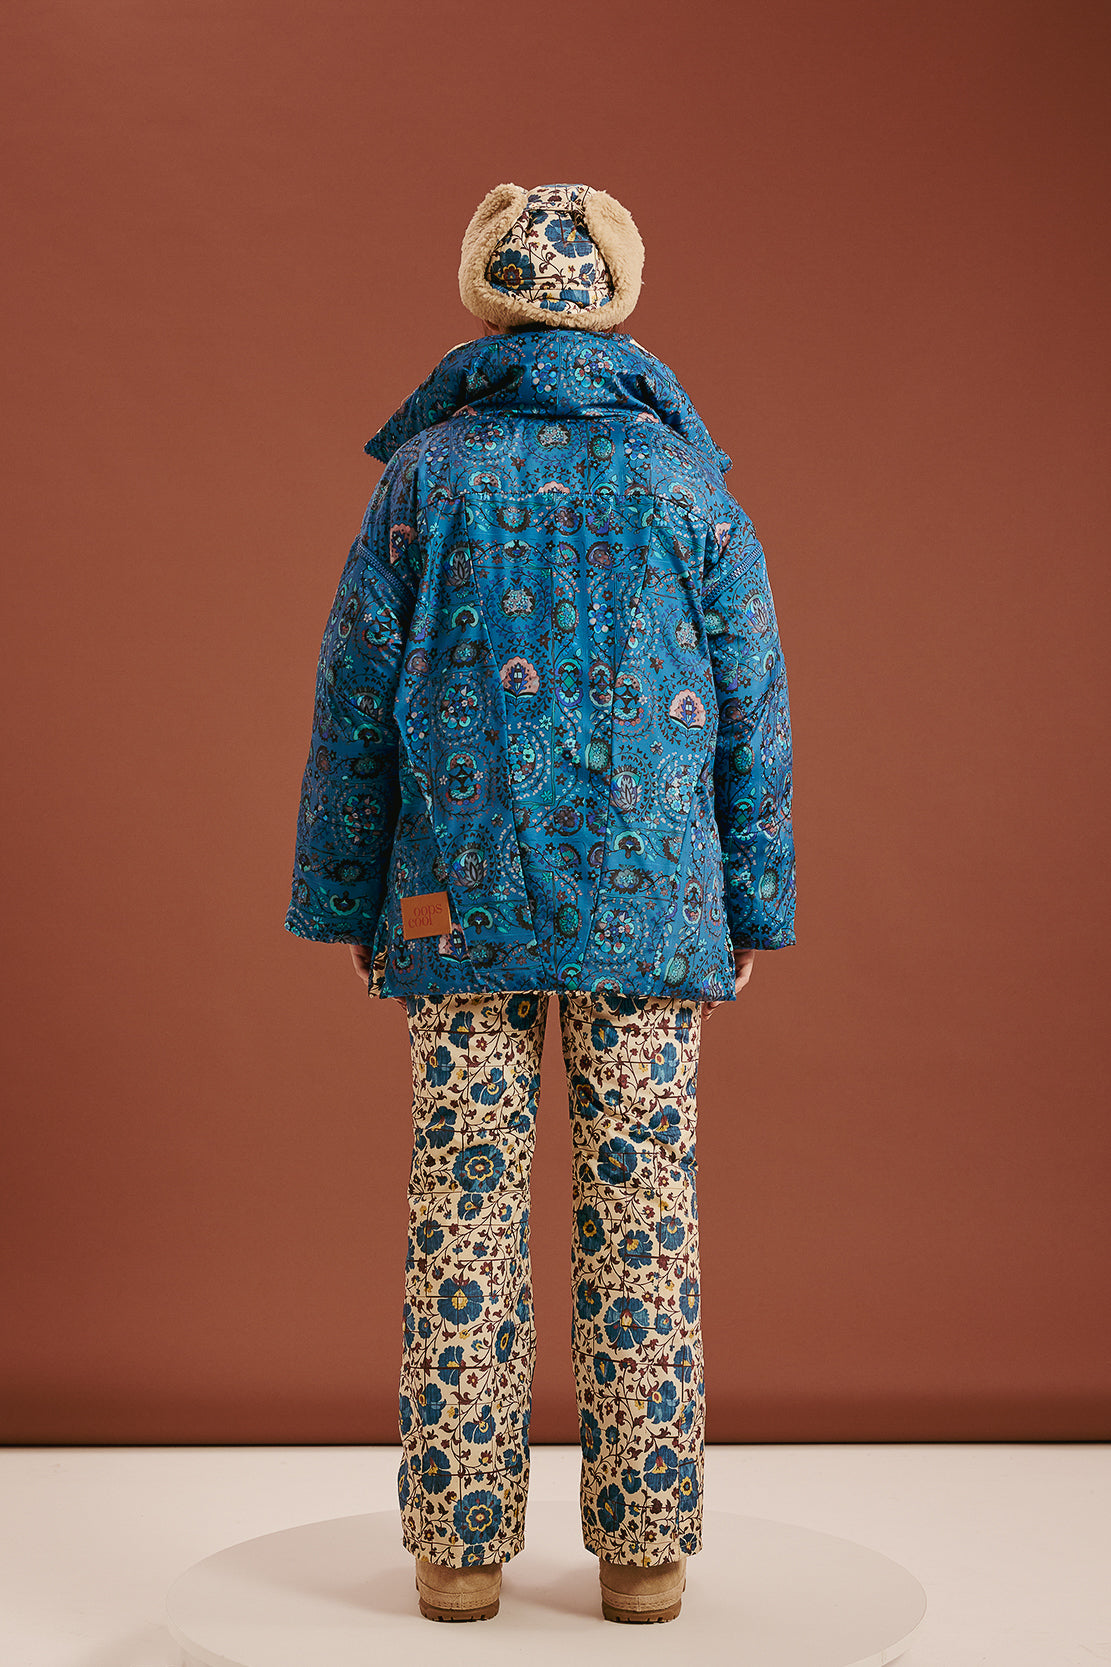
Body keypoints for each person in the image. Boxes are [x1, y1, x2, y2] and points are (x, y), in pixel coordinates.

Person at [284, 181, 796, 1624]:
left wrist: (345, 898)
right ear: (613, 302)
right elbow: (755, 708)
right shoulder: (687, 482)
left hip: (454, 901)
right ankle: (645, 1552)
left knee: (462, 1204)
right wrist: (752, 903)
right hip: (657, 909)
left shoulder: (426, 476)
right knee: (646, 1214)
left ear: (487, 297)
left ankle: (457, 1553)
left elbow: (354, 702)